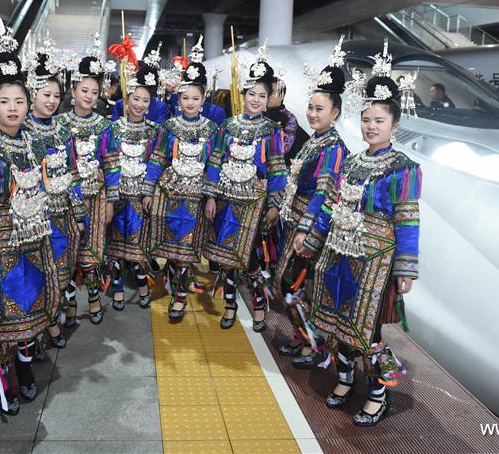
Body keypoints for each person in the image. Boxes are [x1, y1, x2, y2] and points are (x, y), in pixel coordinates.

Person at [304, 46, 421, 427]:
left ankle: (377, 394)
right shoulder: (352, 162)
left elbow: (407, 219)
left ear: (394, 126)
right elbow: (331, 205)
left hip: (375, 264)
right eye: (367, 119)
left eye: (379, 120)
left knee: (366, 332)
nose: (371, 126)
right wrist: (313, 237)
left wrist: (405, 268)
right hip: (339, 256)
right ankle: (344, 379)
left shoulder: (403, 168)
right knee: (336, 325)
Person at [0, 51, 61, 415]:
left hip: (33, 236)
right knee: (0, 307)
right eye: (5, 101)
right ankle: (3, 373)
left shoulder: (36, 141)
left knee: (31, 301)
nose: (13, 108)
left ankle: (25, 362)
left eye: (19, 101)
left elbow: (45, 187)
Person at [274, 45, 349, 368]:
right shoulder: (316, 140)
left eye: (320, 109)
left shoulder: (334, 148)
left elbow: (324, 195)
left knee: (295, 285)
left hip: (310, 225)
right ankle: (302, 338)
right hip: (295, 220)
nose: (313, 114)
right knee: (288, 283)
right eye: (310, 107)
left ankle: (314, 346)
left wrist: (307, 231)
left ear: (335, 113)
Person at [202, 42, 287, 332]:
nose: (256, 100)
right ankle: (229, 306)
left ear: (268, 99)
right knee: (226, 259)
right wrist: (210, 196)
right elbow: (215, 161)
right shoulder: (227, 126)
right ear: (243, 94)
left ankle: (259, 307)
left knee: (251, 260)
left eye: (262, 96)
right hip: (225, 202)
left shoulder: (272, 130)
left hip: (255, 205)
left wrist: (274, 204)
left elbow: (277, 169)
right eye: (252, 94)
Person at [141, 42, 218, 321]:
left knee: (186, 249)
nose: (190, 103)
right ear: (179, 98)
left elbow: (214, 164)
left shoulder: (212, 129)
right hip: (170, 194)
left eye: (195, 98)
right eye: (185, 97)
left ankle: (180, 296)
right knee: (172, 248)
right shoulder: (169, 127)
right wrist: (148, 190)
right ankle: (176, 287)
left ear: (203, 99)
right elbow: (158, 158)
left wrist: (211, 196)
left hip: (197, 197)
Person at [24, 37, 87, 348]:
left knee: (60, 271)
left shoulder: (63, 129)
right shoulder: (22, 130)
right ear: (32, 94)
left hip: (63, 215)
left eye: (56, 96)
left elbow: (73, 172)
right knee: (37, 273)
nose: (51, 101)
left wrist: (79, 212)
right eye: (45, 94)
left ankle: (52, 318)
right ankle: (46, 328)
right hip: (34, 219)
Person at [56, 41, 120, 325]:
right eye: (84, 90)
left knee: (92, 252)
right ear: (73, 91)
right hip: (66, 200)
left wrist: (110, 202)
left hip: (95, 198)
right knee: (69, 252)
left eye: (94, 92)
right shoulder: (59, 125)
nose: (89, 96)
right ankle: (70, 302)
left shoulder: (105, 126)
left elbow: (112, 165)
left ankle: (94, 298)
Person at [106, 63, 161, 311]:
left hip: (140, 198)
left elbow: (157, 164)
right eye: (136, 98)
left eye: (145, 100)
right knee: (116, 248)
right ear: (127, 99)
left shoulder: (155, 132)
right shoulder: (112, 129)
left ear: (150, 104)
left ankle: (142, 287)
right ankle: (117, 289)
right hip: (117, 197)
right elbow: (107, 163)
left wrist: (149, 191)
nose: (139, 104)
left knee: (140, 247)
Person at [266, 77, 308, 165]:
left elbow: (284, 148)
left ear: (282, 95)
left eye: (272, 92)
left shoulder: (289, 118)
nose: (268, 95)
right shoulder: (261, 115)